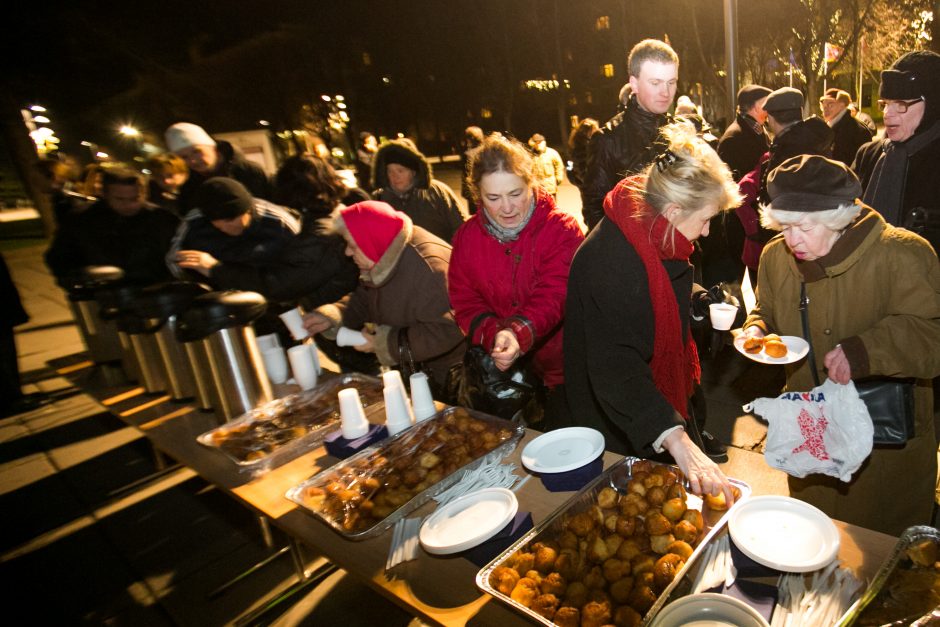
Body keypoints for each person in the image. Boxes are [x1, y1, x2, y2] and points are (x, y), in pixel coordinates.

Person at [741, 155, 940, 536]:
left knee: (879, 550)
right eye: (784, 227)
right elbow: (766, 308)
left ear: (836, 218)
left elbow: (931, 333)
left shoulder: (902, 254)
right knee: (813, 535)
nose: (792, 240)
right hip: (809, 428)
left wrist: (867, 349)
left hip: (883, 440)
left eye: (803, 227)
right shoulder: (774, 257)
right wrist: (756, 328)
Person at [565, 122, 741, 499]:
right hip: (617, 419)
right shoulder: (611, 261)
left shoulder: (649, 224)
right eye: (706, 219)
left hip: (643, 403)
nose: (708, 232)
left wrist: (696, 300)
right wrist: (676, 439)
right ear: (675, 210)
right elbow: (617, 365)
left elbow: (662, 286)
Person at [449, 133, 584, 426]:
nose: (507, 208)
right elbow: (465, 302)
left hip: (567, 368)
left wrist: (517, 333)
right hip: (505, 374)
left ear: (531, 184)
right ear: (477, 195)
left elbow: (556, 293)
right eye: (493, 198)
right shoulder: (466, 237)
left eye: (515, 194)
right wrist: (494, 335)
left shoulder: (561, 229)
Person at [302, 201, 465, 397]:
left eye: (353, 246)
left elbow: (447, 330)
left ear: (371, 240)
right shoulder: (383, 253)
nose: (347, 252)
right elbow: (368, 296)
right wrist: (334, 314)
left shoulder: (429, 270)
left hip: (453, 378)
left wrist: (385, 343)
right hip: (418, 370)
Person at [582, 39, 678, 231]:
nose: (665, 92)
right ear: (634, 84)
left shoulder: (680, 132)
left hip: (682, 251)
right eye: (655, 83)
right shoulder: (608, 139)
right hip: (634, 254)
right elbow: (595, 211)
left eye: (671, 82)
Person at [736, 87, 834, 276]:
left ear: (771, 118)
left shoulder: (785, 150)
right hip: (818, 235)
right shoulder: (816, 140)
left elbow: (772, 198)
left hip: (789, 241)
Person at [854, 50, 940, 254]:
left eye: (901, 104)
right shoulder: (869, 154)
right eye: (885, 103)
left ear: (933, 105)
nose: (887, 114)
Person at [45, 167, 179, 288]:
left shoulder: (161, 218)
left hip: (156, 290)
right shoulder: (81, 220)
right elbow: (60, 258)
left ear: (144, 193)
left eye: (135, 198)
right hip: (106, 293)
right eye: (119, 199)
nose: (128, 205)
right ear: (105, 194)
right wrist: (85, 273)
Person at [167, 177, 301, 290]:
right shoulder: (193, 224)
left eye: (230, 219)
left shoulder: (279, 222)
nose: (225, 227)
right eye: (216, 222)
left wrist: (215, 269)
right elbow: (174, 262)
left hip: (275, 296)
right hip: (219, 301)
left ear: (248, 210)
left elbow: (300, 272)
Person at [371, 138, 466, 242]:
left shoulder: (437, 191)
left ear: (413, 171)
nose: (395, 176)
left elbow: (461, 228)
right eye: (390, 171)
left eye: (400, 170)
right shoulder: (379, 200)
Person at [165, 122, 273, 212]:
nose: (193, 160)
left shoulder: (250, 171)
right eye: (184, 157)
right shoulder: (189, 186)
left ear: (213, 147)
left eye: (197, 151)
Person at [717, 84, 772, 181]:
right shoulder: (732, 139)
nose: (770, 109)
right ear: (756, 107)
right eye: (767, 103)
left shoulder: (758, 128)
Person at [819, 88, 873, 166]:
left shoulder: (856, 130)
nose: (825, 108)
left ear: (842, 104)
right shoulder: (828, 126)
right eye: (823, 105)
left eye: (830, 104)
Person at [567, 118, 600, 193]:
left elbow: (569, 165)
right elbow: (579, 168)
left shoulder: (575, 144)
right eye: (595, 130)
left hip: (585, 184)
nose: (598, 132)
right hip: (590, 186)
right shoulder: (583, 147)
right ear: (588, 132)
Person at [527, 133, 565, 199]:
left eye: (540, 142)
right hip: (537, 188)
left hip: (550, 187)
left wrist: (559, 177)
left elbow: (559, 166)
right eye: (536, 142)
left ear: (544, 142)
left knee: (552, 207)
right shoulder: (530, 155)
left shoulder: (552, 153)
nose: (538, 144)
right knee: (539, 208)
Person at [460, 126, 485, 214]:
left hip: (472, 188)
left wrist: (465, 191)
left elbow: (465, 175)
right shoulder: (485, 151)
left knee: (476, 214)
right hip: (485, 187)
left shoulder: (467, 155)